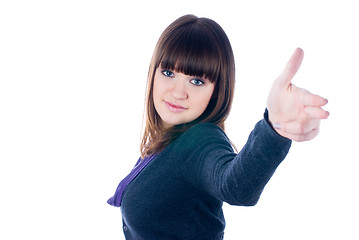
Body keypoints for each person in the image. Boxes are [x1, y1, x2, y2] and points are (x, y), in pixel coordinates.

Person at [107, 14, 329, 239]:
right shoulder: (167, 140)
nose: (177, 92)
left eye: (196, 81)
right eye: (168, 73)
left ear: (217, 90)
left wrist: (275, 127)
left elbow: (236, 186)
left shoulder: (200, 139)